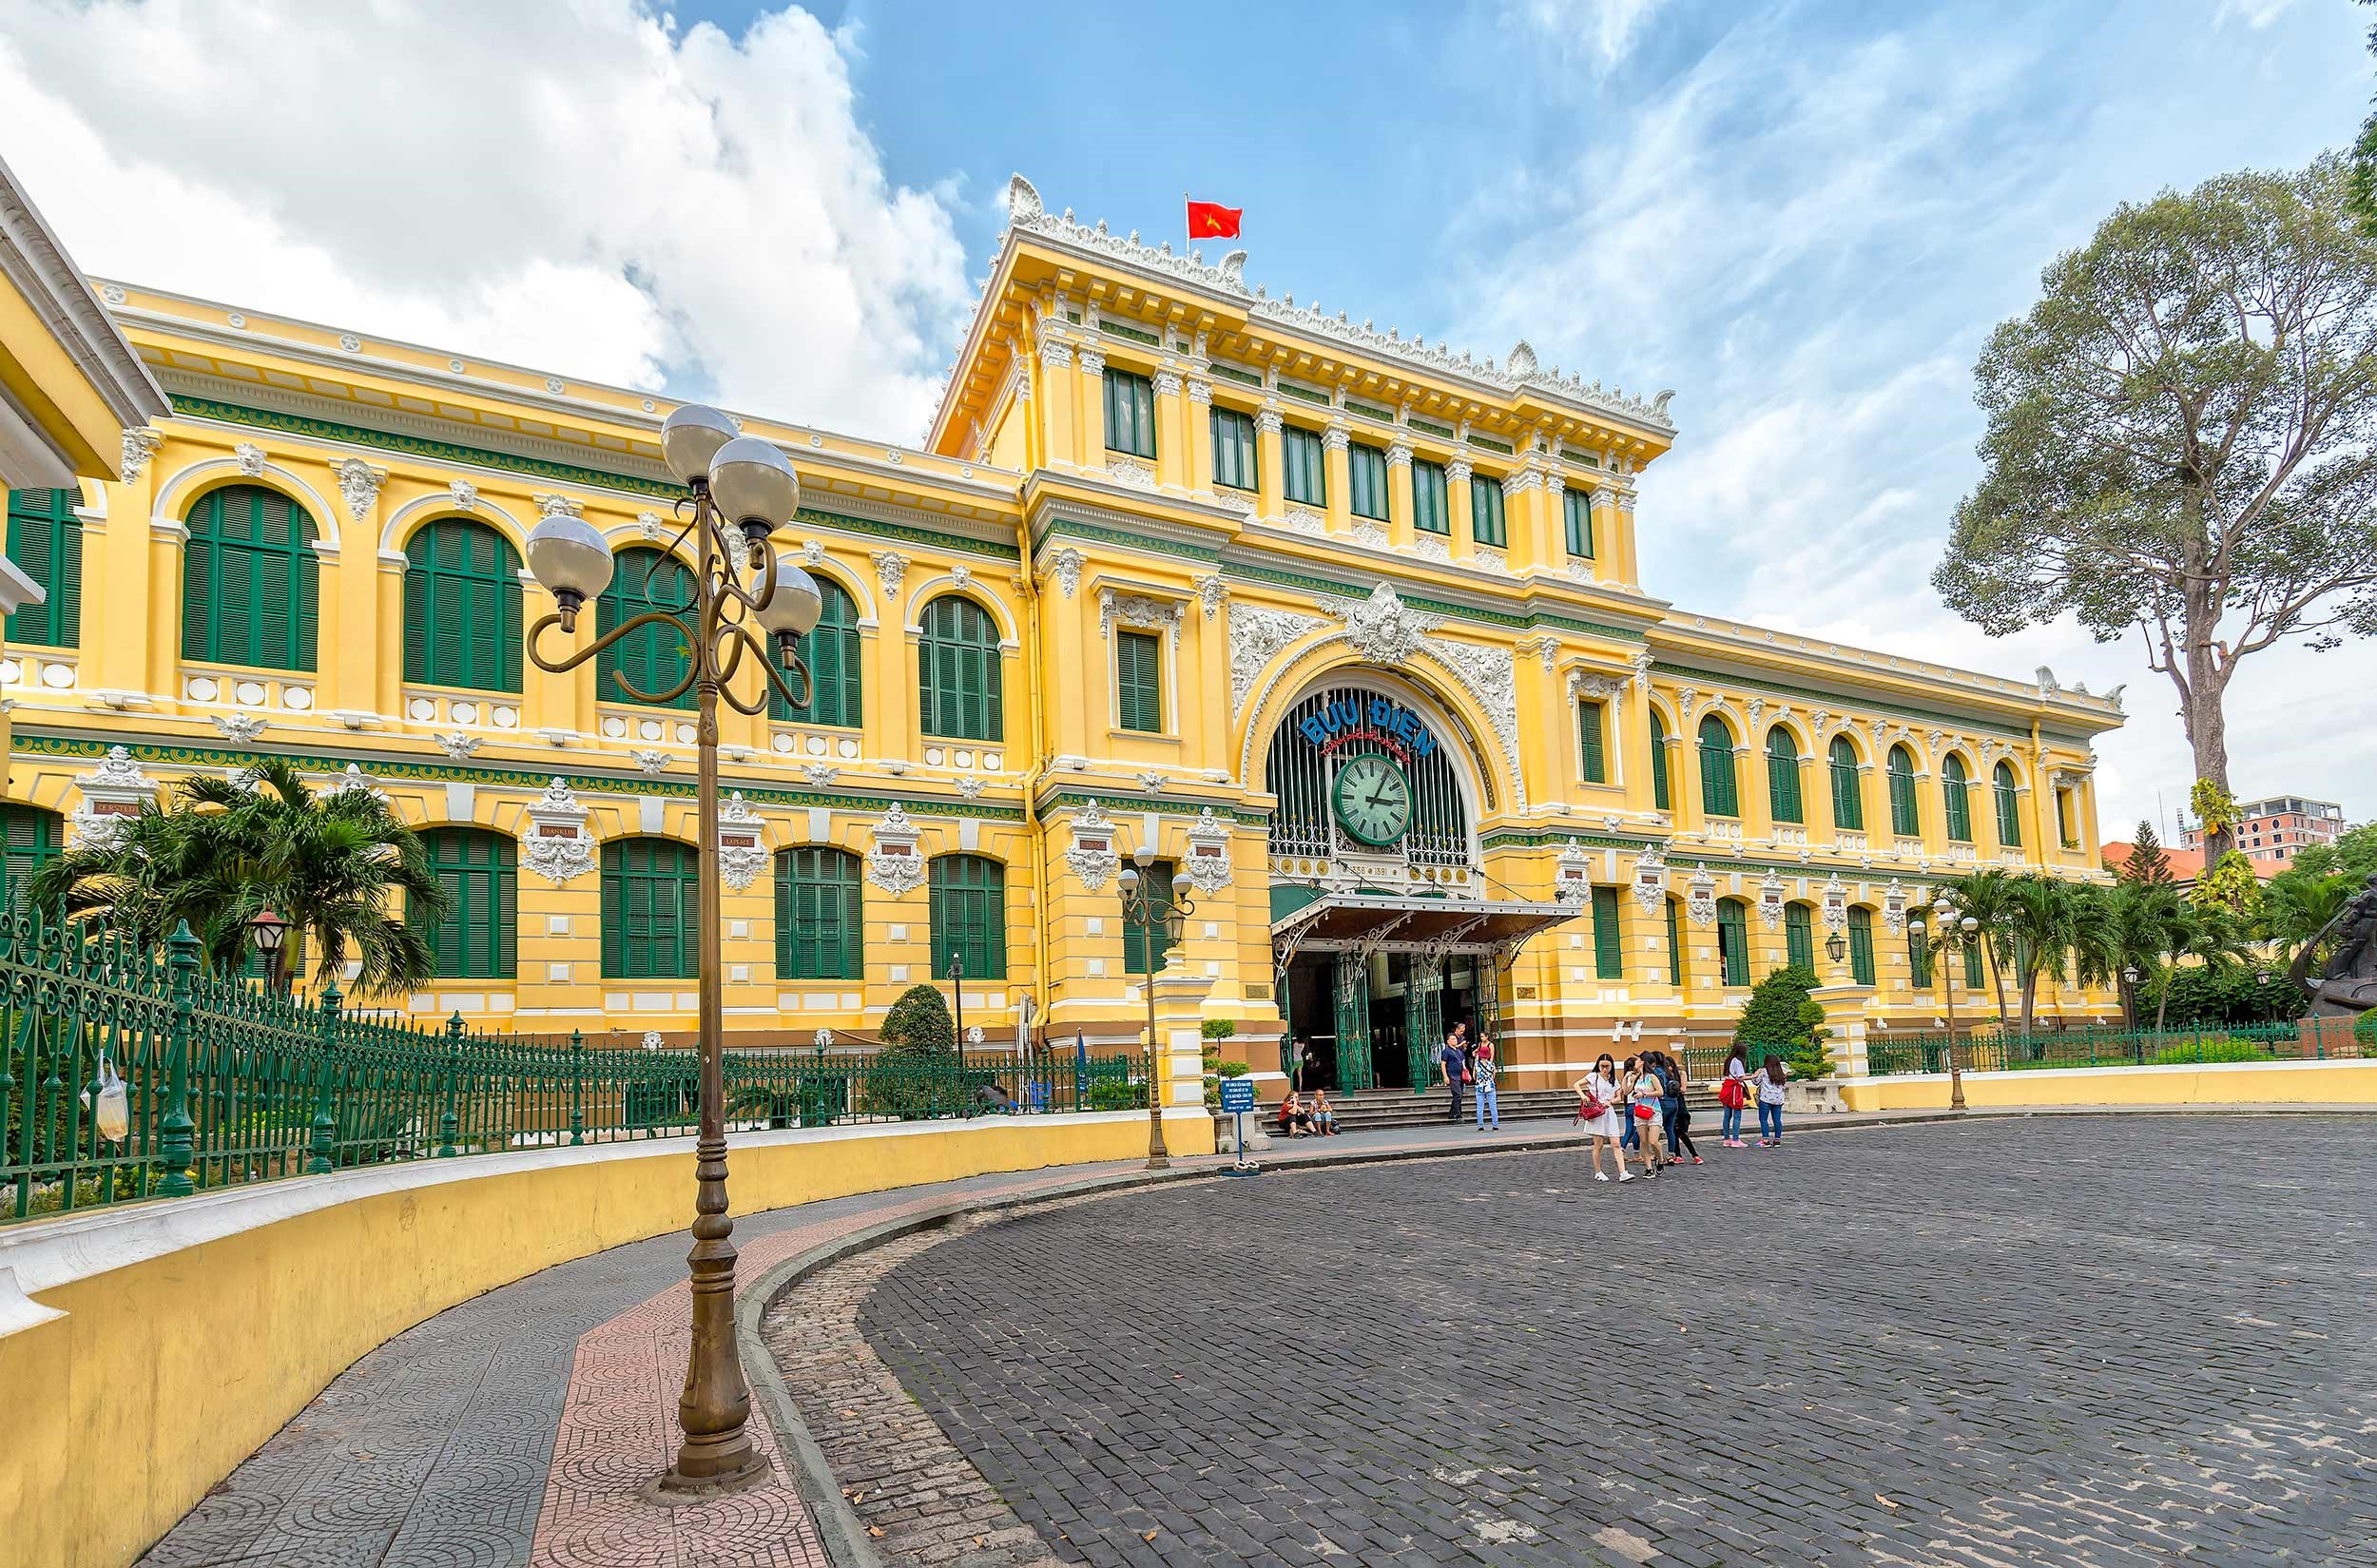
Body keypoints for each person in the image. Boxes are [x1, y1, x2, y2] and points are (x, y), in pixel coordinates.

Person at [1574, 1054, 1630, 1181]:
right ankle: (1598, 1171)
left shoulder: (1613, 1079)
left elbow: (1619, 1096)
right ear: (1598, 1065)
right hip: (1596, 1112)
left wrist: (1610, 1102)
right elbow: (1576, 1084)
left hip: (1608, 1112)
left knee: (1616, 1142)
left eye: (1607, 1066)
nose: (1604, 1069)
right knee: (1598, 1144)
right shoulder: (1593, 1076)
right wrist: (1583, 1096)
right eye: (1602, 1066)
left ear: (1611, 1066)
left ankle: (1623, 1172)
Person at [1657, 1051, 1704, 1165]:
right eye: (1667, 1066)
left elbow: (1683, 1089)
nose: (1669, 1068)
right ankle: (1677, 1155)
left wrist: (1673, 1087)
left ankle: (1695, 1155)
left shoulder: (1680, 1074)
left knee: (1681, 1132)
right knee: (1673, 1131)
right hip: (1671, 1104)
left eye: (1671, 1065)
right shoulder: (1665, 1076)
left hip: (1679, 1105)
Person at [1622, 1055, 1664, 1176]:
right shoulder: (1636, 1078)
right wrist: (1625, 1078)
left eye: (1639, 1060)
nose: (1636, 1061)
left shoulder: (1651, 1077)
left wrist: (1643, 1094)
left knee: (1653, 1141)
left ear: (1643, 1062)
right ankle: (1649, 1169)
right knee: (1644, 1142)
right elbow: (1626, 1092)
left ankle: (1660, 1160)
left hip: (1654, 1111)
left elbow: (1660, 1092)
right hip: (1640, 1112)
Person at [1719, 1046, 1752, 1148]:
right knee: (1737, 1115)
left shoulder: (1729, 1060)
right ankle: (1735, 1139)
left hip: (1727, 1087)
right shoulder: (1738, 1062)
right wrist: (1754, 1075)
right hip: (1734, 1089)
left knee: (1727, 1115)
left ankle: (1726, 1138)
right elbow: (1741, 1077)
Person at [1756, 1054, 1789, 1145]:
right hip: (1778, 1099)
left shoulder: (1763, 1071)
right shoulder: (1781, 1073)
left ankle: (1765, 1140)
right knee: (1777, 1120)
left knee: (1763, 1119)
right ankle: (1777, 1139)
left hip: (1766, 1098)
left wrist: (1756, 1073)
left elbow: (1755, 1081)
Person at [1439, 1026, 1469, 1123]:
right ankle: (1457, 1115)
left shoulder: (1459, 1051)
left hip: (1460, 1075)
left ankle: (1452, 1113)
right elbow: (1443, 1064)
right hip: (1452, 1076)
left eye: (1455, 1039)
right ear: (1448, 1041)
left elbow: (1462, 1062)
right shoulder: (1446, 1051)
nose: (1454, 1040)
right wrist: (1445, 1076)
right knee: (1458, 1095)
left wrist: (1466, 1071)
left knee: (1458, 1095)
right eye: (1452, 1039)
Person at [1471, 1035, 1500, 1132]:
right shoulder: (1492, 1065)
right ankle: (1495, 1126)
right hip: (1490, 1087)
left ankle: (1481, 1126)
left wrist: (1479, 1081)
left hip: (1479, 1088)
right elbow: (1493, 1076)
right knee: (1493, 1107)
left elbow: (1474, 1076)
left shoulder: (1476, 1064)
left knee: (1480, 1107)